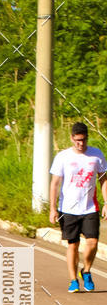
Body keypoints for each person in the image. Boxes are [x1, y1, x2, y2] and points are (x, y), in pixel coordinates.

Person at [49, 121, 107, 292]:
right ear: (72, 138)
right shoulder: (63, 157)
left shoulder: (96, 155)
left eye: (83, 140)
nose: (80, 144)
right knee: (72, 245)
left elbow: (103, 179)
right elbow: (55, 183)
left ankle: (86, 270)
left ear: (87, 138)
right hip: (67, 209)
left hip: (90, 207)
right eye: (77, 140)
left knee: (93, 242)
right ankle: (73, 280)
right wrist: (53, 208)